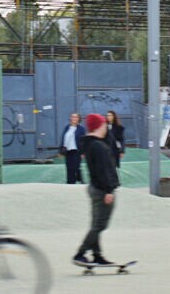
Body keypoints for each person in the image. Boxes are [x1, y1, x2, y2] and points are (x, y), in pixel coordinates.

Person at [74, 113, 121, 266]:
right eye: (103, 125)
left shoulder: (91, 143)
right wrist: (108, 190)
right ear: (98, 126)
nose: (106, 128)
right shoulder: (98, 146)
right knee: (100, 225)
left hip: (95, 187)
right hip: (102, 190)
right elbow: (104, 169)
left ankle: (97, 255)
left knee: (96, 225)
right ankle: (80, 253)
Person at [60, 113, 86, 184]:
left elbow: (83, 141)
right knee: (69, 167)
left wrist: (83, 152)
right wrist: (61, 151)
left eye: (76, 117)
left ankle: (80, 180)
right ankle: (70, 182)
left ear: (78, 119)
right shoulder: (67, 128)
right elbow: (63, 139)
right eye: (72, 117)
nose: (74, 118)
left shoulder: (81, 129)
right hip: (68, 151)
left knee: (76, 167)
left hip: (76, 151)